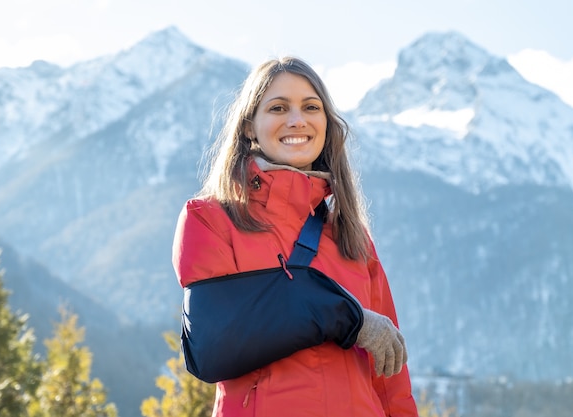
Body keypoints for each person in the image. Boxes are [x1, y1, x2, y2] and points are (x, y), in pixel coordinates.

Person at [172, 56, 418, 417]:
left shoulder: (351, 235)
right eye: (278, 107)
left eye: (311, 107)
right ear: (249, 128)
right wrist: (347, 316)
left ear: (326, 124)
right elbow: (214, 346)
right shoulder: (210, 218)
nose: (297, 120)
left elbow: (390, 378)